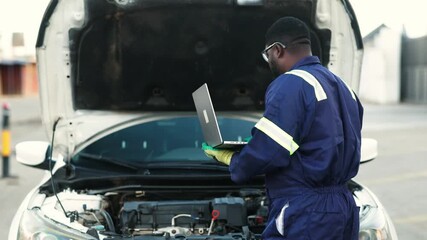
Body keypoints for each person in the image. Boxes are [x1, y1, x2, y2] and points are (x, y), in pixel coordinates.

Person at [203, 16, 363, 239]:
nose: (268, 61)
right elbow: (325, 140)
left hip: (308, 211)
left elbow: (271, 149)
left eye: (267, 55)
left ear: (277, 50)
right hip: (343, 207)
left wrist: (235, 161)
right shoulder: (344, 88)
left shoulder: (291, 83)